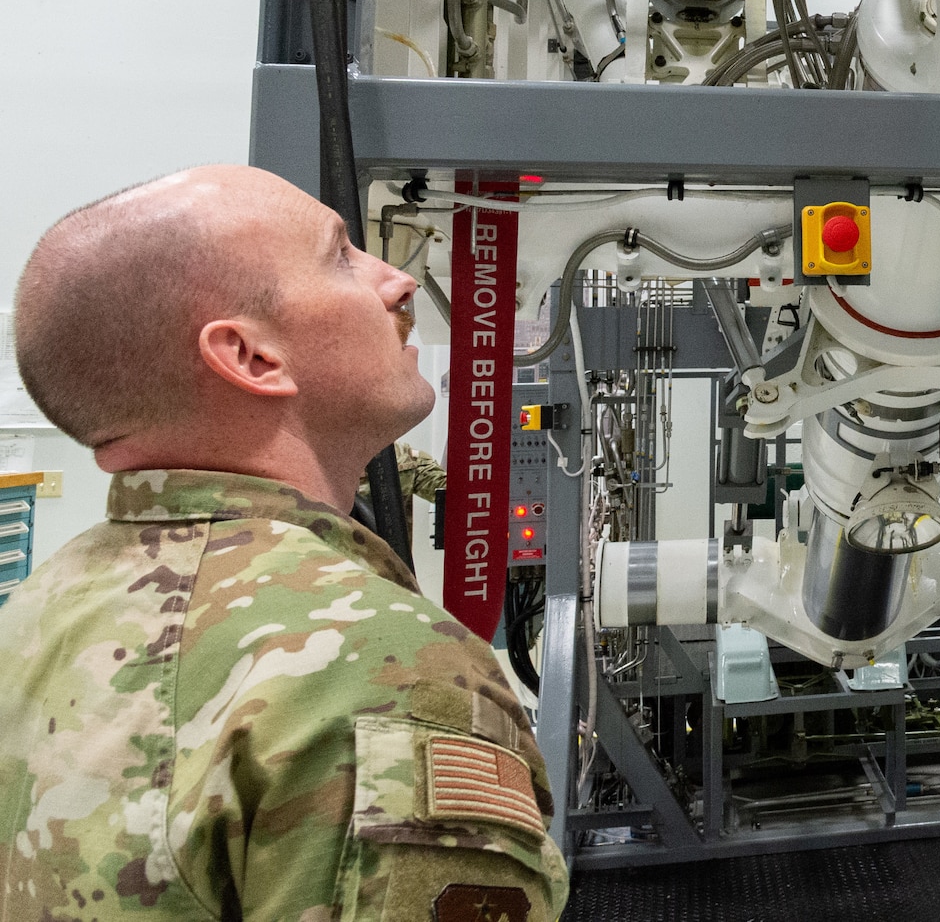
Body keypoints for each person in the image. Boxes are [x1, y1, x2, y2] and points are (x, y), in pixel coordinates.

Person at [0, 166, 568, 921]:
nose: (396, 281)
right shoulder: (375, 664)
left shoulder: (44, 605)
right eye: (341, 256)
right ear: (251, 356)